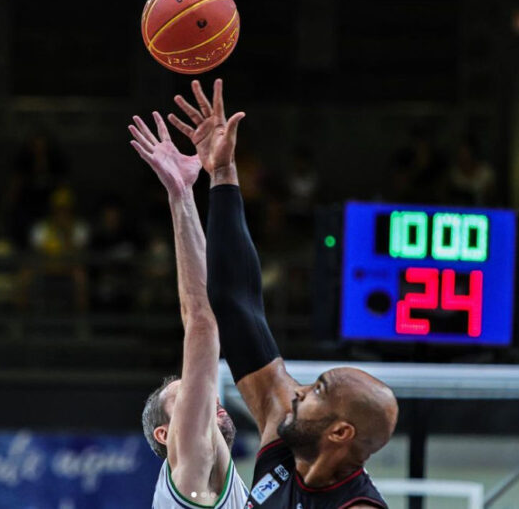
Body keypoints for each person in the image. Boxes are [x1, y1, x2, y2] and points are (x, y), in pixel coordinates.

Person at [167, 79, 398, 508]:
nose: (300, 392)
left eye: (317, 391)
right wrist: (222, 174)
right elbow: (237, 306)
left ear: (340, 433)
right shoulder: (286, 433)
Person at [130, 111, 249, 508]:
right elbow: (201, 321)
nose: (208, 395)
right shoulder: (191, 474)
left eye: (196, 394)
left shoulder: (207, 480)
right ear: (167, 436)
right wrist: (181, 194)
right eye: (194, 394)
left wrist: (184, 195)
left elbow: (204, 314)